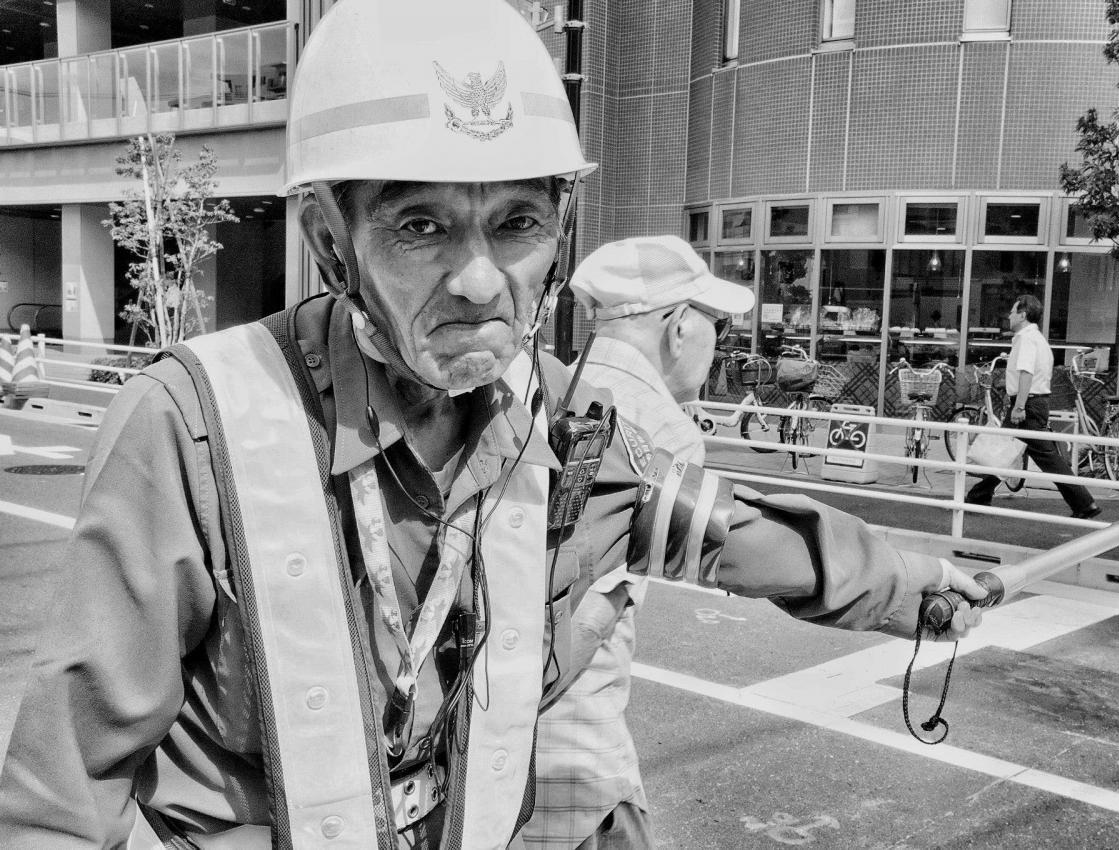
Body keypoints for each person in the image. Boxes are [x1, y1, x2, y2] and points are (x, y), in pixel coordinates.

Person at [0, 2, 986, 848]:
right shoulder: (192, 429)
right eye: (420, 226)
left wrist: (913, 586)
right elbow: (62, 789)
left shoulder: (560, 420)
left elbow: (724, 533)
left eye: (516, 222)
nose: (479, 281)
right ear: (330, 244)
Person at [523, 236, 752, 849]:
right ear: (678, 327)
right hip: (573, 754)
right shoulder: (661, 430)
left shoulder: (551, 390)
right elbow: (598, 603)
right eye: (718, 327)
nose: (717, 345)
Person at [966, 295, 1100, 519]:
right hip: (1033, 402)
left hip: (1027, 403)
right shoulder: (1037, 339)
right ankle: (979, 494)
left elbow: (1026, 373)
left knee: (1045, 456)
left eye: (1013, 311)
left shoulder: (1026, 339)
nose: (1009, 315)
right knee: (1008, 451)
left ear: (1023, 315)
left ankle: (1084, 503)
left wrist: (1019, 407)